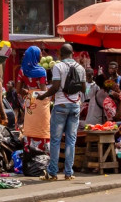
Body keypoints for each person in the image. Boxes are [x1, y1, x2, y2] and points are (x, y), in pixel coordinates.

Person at [36, 44, 83, 181]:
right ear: (73, 53)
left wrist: (43, 96)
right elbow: (84, 88)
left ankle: (53, 173)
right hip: (75, 106)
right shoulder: (80, 68)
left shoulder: (58, 67)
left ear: (60, 55)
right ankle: (68, 173)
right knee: (71, 140)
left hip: (61, 106)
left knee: (56, 140)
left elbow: (55, 87)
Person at [15, 46, 50, 153]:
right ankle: (42, 150)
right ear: (35, 56)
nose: (41, 56)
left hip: (30, 101)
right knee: (43, 125)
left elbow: (18, 90)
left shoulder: (22, 71)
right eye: (39, 54)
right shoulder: (41, 71)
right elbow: (43, 91)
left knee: (30, 126)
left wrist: (28, 92)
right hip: (40, 102)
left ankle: (29, 148)